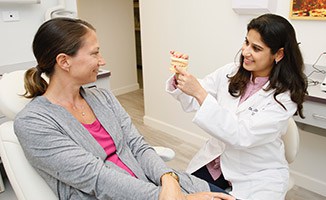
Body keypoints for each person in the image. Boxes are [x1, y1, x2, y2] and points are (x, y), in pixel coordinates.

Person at [14, 18, 235, 200]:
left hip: (161, 185)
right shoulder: (33, 123)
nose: (102, 60)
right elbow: (97, 178)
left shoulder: (102, 97)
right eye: (94, 53)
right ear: (64, 61)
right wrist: (177, 198)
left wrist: (169, 177)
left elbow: (137, 145)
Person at [166, 13, 308, 200]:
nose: (246, 52)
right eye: (246, 42)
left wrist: (200, 93)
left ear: (278, 54)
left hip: (257, 173)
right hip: (216, 162)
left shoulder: (285, 96)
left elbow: (242, 135)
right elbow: (195, 98)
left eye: (256, 48)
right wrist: (180, 76)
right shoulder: (230, 71)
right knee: (181, 196)